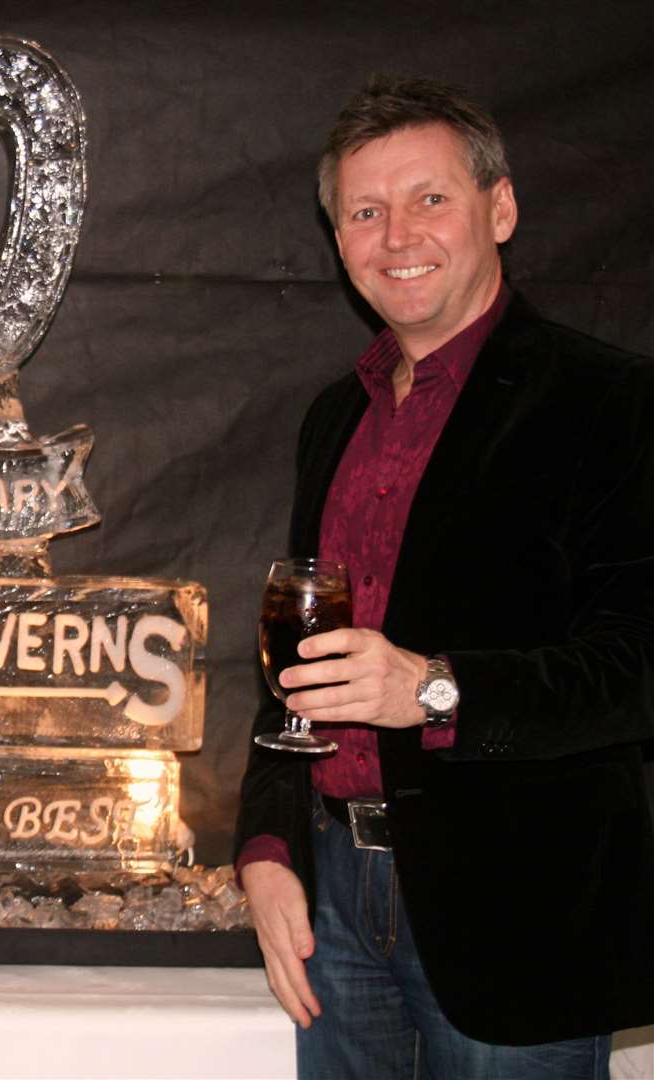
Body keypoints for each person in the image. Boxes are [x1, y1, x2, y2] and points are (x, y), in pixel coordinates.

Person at [235, 75, 654, 1078]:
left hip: (518, 913)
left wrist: (428, 688)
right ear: (336, 240)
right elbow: (289, 666)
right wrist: (266, 847)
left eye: (429, 200)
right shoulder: (332, 417)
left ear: (498, 209)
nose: (396, 236)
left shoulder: (611, 404)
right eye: (364, 213)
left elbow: (636, 667)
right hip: (333, 903)